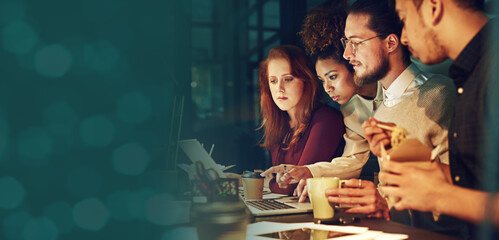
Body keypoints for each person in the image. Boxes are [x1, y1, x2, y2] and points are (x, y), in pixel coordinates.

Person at [324, 0, 469, 238]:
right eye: (346, 43)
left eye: (356, 43)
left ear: (390, 43)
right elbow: (396, 191)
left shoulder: (440, 96)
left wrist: (387, 207)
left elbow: (462, 195)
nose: (346, 54)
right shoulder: (382, 110)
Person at [376, 0, 499, 236]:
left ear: (433, 7)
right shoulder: (469, 74)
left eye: (403, 19)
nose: (402, 37)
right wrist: (401, 149)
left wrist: (442, 197)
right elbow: (478, 178)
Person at [261, 3, 382, 201]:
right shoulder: (350, 109)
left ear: (353, 65)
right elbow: (352, 160)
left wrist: (304, 173)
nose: (327, 88)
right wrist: (307, 171)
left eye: (332, 77)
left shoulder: (329, 117)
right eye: (322, 80)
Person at [258, 45, 346, 195]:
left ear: (306, 80)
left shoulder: (326, 119)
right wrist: (247, 180)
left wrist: (266, 182)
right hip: (291, 208)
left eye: (288, 79)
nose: (279, 88)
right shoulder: (279, 124)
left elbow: (294, 185)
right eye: (273, 81)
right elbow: (278, 180)